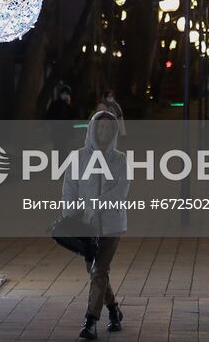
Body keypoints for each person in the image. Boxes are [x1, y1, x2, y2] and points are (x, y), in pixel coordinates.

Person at [61, 111, 128, 339]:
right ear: (92, 129)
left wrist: (96, 205)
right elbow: (69, 188)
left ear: (114, 131)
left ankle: (90, 321)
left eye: (109, 128)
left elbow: (120, 191)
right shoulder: (78, 157)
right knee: (96, 272)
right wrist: (70, 215)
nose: (104, 131)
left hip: (112, 224)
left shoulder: (120, 159)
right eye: (100, 127)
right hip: (86, 225)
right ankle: (114, 310)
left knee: (99, 270)